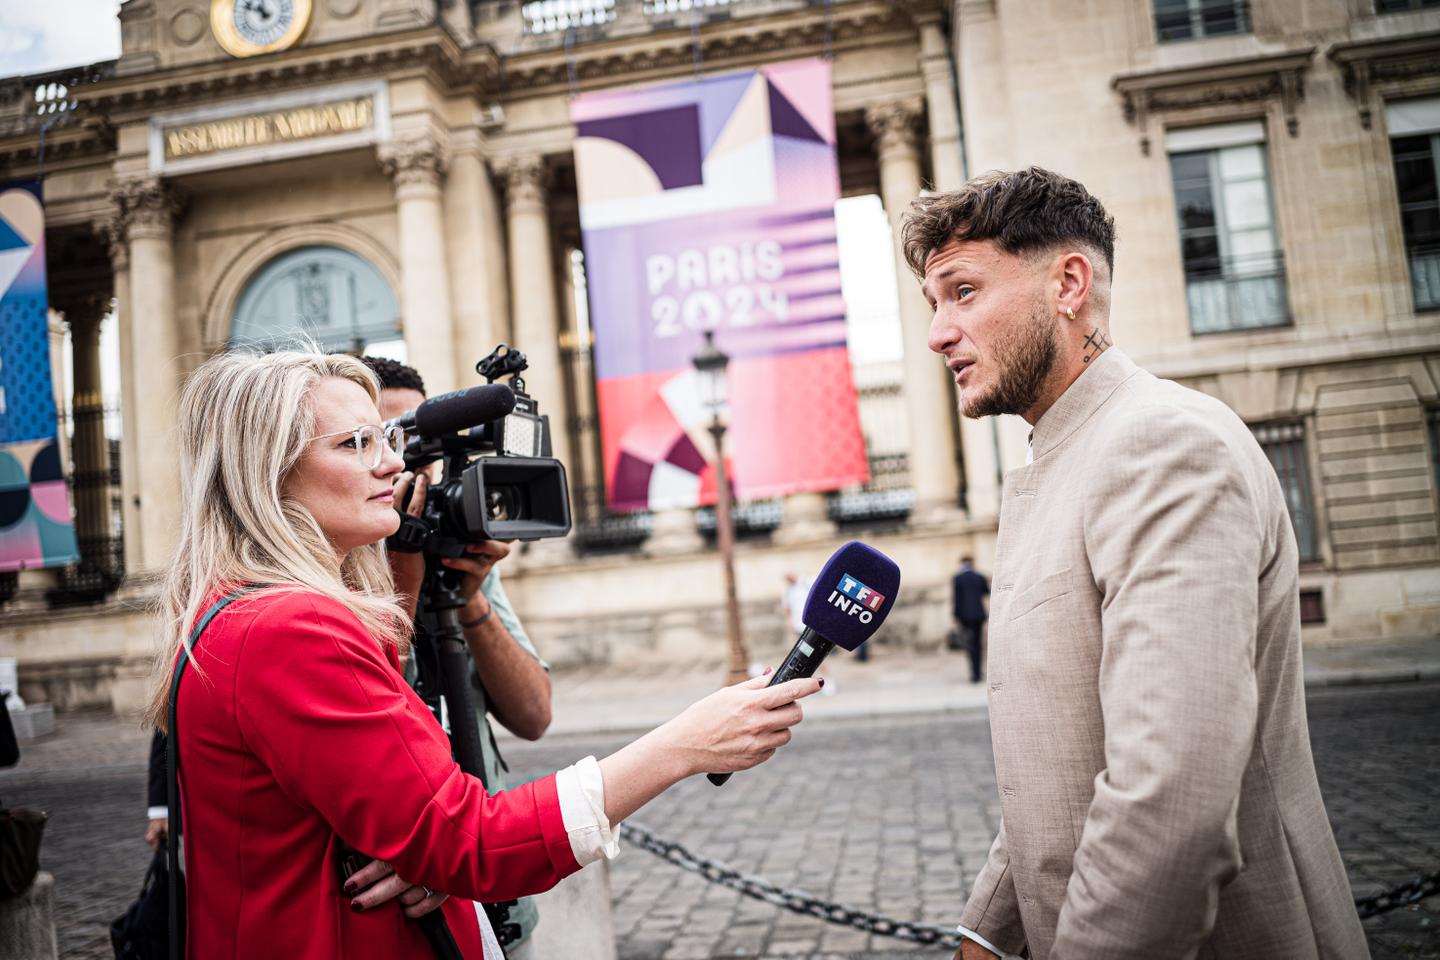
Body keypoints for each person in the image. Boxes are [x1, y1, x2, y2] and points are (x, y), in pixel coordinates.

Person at [145, 348, 820, 959]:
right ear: (270, 473)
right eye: (356, 444)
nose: (390, 463)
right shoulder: (289, 629)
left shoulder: (244, 608)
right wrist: (681, 746)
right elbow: (473, 841)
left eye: (384, 439)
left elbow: (408, 798)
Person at [903, 167, 1368, 960]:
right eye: (933, 303)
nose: (939, 332)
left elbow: (1168, 800)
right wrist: (986, 935)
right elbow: (1064, 773)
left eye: (964, 291)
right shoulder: (1071, 452)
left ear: (1068, 284)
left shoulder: (1162, 445)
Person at [362, 356, 549, 956]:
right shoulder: (329, 573)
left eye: (423, 446)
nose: (404, 467)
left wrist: (469, 600)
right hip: (411, 907)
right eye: (391, 441)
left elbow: (534, 716)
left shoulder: (458, 552)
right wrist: (402, 573)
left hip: (500, 898)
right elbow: (375, 706)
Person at [950, 557, 988, 683]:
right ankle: (978, 672)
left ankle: (973, 673)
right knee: (978, 644)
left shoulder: (958, 578)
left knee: (969, 645)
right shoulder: (979, 576)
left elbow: (956, 599)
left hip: (964, 616)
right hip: (978, 615)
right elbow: (986, 592)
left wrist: (955, 616)